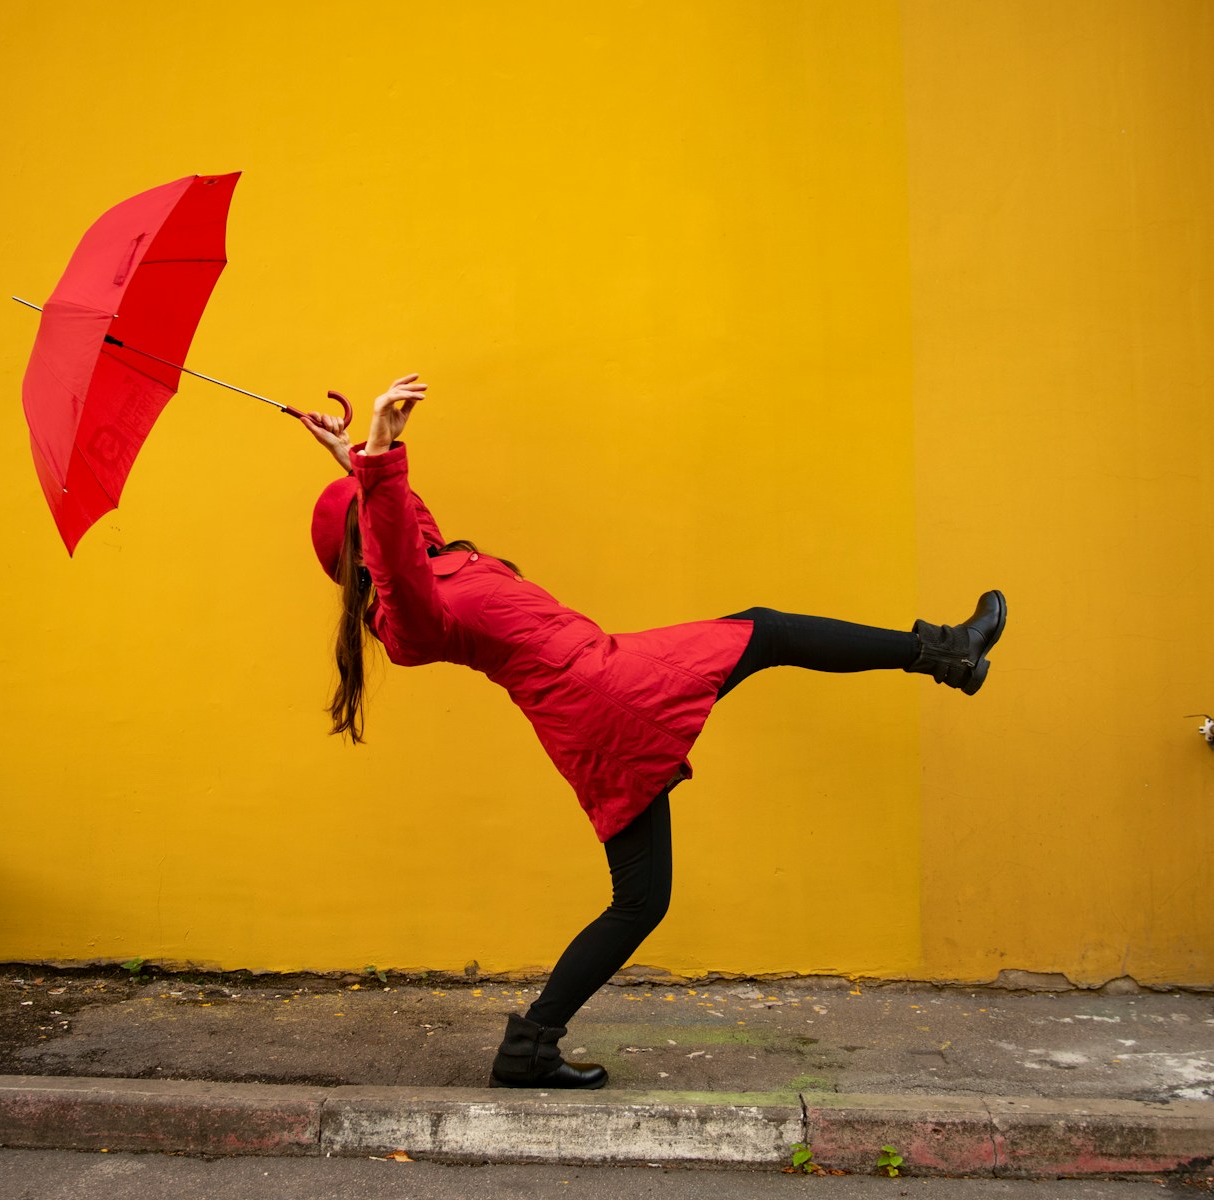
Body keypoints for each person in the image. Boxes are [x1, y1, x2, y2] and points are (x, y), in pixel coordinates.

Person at [301, 374, 1007, 1091]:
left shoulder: (431, 563)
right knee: (765, 631)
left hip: (594, 708)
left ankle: (528, 1047)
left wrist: (355, 456)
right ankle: (946, 653)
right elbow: (391, 548)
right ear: (365, 552)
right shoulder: (413, 615)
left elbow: (400, 522)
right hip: (608, 692)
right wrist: (381, 452)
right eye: (370, 510)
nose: (387, 509)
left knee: (641, 900)